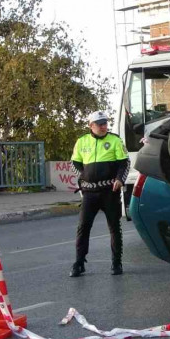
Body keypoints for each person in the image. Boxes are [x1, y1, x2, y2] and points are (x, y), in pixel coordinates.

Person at [70, 111, 130, 277]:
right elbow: (74, 162)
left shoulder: (115, 140)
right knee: (83, 227)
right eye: (100, 124)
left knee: (114, 228)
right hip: (89, 193)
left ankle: (116, 263)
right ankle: (79, 263)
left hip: (109, 192)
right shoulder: (82, 141)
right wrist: (83, 176)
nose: (104, 126)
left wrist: (120, 179)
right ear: (91, 125)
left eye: (105, 123)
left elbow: (124, 163)